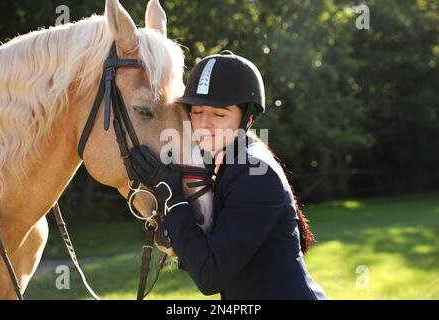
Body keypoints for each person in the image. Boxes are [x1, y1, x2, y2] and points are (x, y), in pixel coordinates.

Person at [130, 50, 328, 300]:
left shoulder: (255, 173)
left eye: (219, 114)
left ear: (247, 118)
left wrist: (172, 196)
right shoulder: (230, 162)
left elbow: (210, 276)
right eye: (197, 111)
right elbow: (207, 252)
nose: (204, 124)